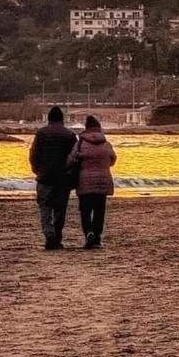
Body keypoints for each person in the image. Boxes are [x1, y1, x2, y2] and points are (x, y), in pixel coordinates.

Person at [29, 105, 77, 250]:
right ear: (62, 119)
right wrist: (71, 175)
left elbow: (34, 154)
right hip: (63, 178)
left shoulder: (41, 133)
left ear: (48, 119)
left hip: (44, 176)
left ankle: (49, 234)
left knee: (45, 207)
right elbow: (75, 157)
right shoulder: (69, 135)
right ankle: (57, 236)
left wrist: (36, 170)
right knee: (60, 209)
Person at [68, 115, 116, 250]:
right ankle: (97, 237)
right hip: (103, 181)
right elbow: (112, 160)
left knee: (85, 210)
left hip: (84, 182)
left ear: (86, 128)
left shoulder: (80, 144)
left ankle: (88, 233)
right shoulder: (106, 144)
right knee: (100, 210)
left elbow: (70, 161)